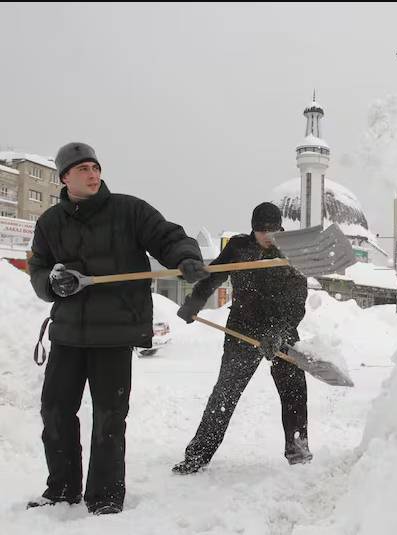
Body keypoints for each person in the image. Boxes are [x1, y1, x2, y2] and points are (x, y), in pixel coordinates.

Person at [26, 142, 210, 514]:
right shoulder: (50, 223)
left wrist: (187, 259)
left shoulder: (129, 210)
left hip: (114, 333)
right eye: (83, 170)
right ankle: (61, 489)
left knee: (109, 417)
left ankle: (106, 497)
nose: (93, 175)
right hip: (68, 334)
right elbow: (39, 269)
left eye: (96, 168)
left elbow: (169, 237)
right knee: (55, 411)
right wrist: (52, 282)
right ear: (64, 177)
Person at [171, 201, 310, 474]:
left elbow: (298, 300)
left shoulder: (292, 250)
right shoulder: (237, 248)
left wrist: (280, 332)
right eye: (261, 231)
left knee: (294, 392)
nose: (267, 236)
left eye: (272, 230)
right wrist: (194, 303)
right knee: (224, 393)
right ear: (253, 230)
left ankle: (298, 451)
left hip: (282, 330)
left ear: (280, 227)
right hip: (243, 330)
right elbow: (213, 278)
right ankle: (197, 455)